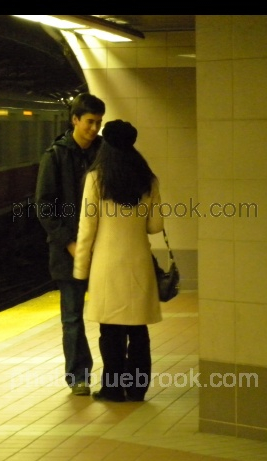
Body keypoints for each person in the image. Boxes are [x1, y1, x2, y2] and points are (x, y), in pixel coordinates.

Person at [73, 119, 163, 402]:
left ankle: (113, 389)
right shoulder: (148, 179)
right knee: (138, 330)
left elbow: (87, 229)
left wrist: (80, 271)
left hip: (106, 265)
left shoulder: (96, 178)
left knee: (110, 330)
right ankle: (137, 389)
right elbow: (155, 226)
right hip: (138, 263)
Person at [34, 93, 106, 396]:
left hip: (103, 247)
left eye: (98, 123)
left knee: (107, 314)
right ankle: (79, 376)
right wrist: (69, 242)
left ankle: (113, 373)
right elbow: (44, 205)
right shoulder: (55, 156)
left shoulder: (104, 153)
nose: (94, 129)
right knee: (73, 317)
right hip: (68, 251)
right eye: (89, 122)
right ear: (74, 120)